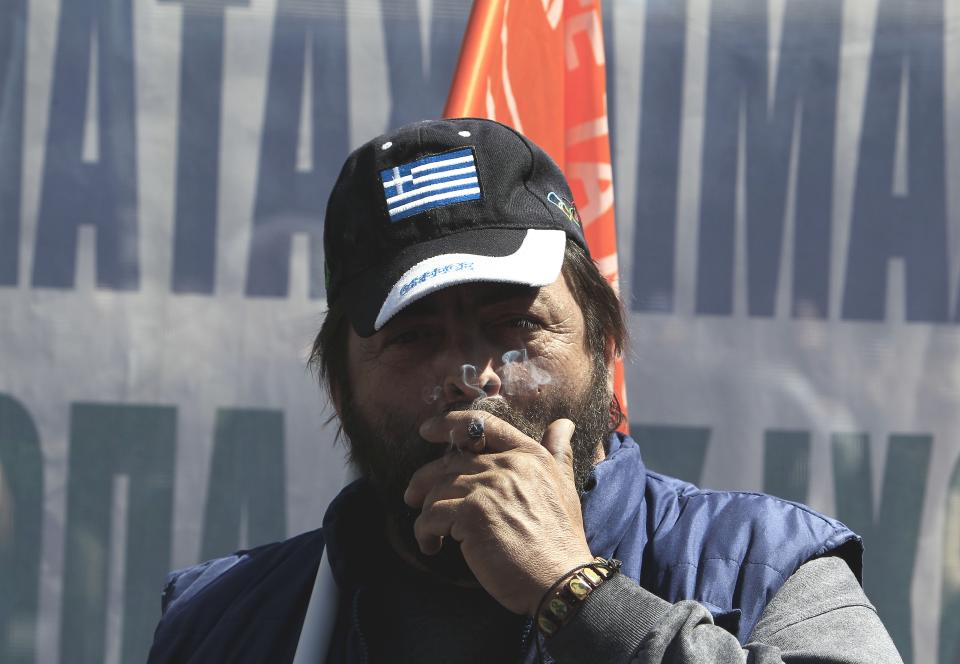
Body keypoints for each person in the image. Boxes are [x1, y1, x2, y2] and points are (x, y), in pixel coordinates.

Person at [148, 118, 902, 663]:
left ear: (605, 349)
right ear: (340, 391)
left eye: (514, 323)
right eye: (412, 337)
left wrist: (579, 597)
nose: (470, 375)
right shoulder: (225, 622)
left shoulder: (762, 570)